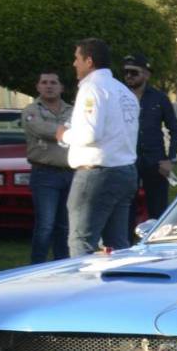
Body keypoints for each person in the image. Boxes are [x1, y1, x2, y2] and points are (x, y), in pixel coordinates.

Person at [62, 38, 139, 256]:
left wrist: (64, 134)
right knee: (118, 245)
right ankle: (122, 288)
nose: (73, 64)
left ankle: (84, 289)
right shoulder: (124, 92)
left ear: (89, 61)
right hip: (125, 170)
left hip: (97, 174)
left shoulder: (92, 89)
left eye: (77, 58)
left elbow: (89, 134)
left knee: (81, 241)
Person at [122, 53, 177, 238]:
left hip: (155, 160)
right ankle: (125, 245)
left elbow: (175, 130)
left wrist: (169, 159)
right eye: (126, 72)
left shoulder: (159, 98)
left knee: (158, 209)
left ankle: (156, 244)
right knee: (125, 207)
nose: (129, 76)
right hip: (127, 158)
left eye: (134, 72)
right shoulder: (119, 96)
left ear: (146, 75)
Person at [21, 71, 72, 263]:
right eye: (44, 82)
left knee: (64, 226)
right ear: (38, 87)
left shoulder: (72, 110)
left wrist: (60, 132)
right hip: (44, 174)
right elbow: (39, 128)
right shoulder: (31, 110)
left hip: (70, 173)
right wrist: (68, 132)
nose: (49, 86)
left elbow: (82, 128)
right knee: (45, 225)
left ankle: (63, 265)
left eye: (53, 82)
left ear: (61, 87)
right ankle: (37, 266)